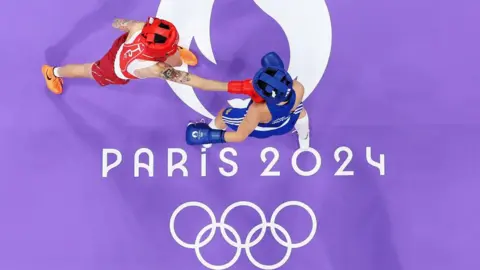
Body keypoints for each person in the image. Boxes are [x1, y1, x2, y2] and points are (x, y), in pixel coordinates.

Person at [185, 52, 310, 149]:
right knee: (301, 111)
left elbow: (239, 136)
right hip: (287, 122)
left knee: (223, 115)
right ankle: (304, 138)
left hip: (262, 128)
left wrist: (207, 137)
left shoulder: (257, 110)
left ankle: (207, 141)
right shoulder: (298, 88)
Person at [42, 17, 198, 94]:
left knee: (170, 54)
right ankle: (52, 72)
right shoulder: (140, 63)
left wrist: (116, 22)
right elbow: (178, 67)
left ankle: (167, 47)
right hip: (112, 67)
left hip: (131, 45)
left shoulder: (139, 27)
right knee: (86, 70)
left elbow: (119, 23)